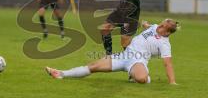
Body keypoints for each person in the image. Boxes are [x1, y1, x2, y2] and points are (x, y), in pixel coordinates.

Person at [45, 19, 179, 85]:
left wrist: (172, 82)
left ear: (167, 32)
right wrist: (145, 24)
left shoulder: (165, 44)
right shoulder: (155, 27)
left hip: (138, 61)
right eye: (161, 23)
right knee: (93, 66)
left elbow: (168, 64)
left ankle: (142, 75)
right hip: (123, 56)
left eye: (163, 26)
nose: (160, 25)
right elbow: (149, 26)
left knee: (142, 79)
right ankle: (61, 73)